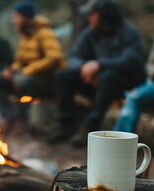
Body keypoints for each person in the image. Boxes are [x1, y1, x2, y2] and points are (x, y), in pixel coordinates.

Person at [48, 0, 145, 147]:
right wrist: (84, 67)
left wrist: (100, 65)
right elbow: (73, 57)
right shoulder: (90, 33)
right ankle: (65, 125)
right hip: (95, 82)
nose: (88, 17)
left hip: (125, 83)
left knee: (109, 77)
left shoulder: (129, 32)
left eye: (92, 14)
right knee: (64, 76)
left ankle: (89, 128)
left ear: (105, 15)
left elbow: (130, 60)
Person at [114, 0, 154, 133]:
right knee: (132, 96)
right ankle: (121, 139)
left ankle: (120, 143)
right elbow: (151, 62)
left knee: (135, 97)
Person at [2, 1, 66, 99]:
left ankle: (32, 111)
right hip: (32, 76)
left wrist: (28, 70)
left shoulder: (45, 33)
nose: (13, 21)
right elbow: (20, 61)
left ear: (26, 17)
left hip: (50, 78)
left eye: (16, 17)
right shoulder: (24, 36)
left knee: (22, 82)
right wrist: (12, 70)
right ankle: (9, 113)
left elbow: (54, 57)